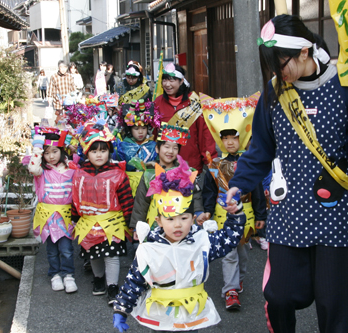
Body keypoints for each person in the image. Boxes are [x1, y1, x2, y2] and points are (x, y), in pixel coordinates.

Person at [225, 15, 348, 332]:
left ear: (304, 53)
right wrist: (238, 185)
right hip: (288, 212)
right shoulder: (273, 94)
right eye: (271, 66)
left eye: (281, 64)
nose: (276, 73)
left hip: (336, 215)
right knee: (279, 296)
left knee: (332, 303)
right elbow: (259, 150)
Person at [111, 160, 247, 332]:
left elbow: (229, 238)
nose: (177, 225)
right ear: (158, 221)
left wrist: (236, 214)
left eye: (184, 218)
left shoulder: (201, 242)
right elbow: (135, 280)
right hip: (160, 314)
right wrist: (121, 309)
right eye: (170, 219)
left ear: (192, 219)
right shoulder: (149, 247)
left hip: (191, 312)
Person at [196, 93, 267, 310]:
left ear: (241, 139)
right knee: (228, 253)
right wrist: (207, 211)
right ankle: (230, 290)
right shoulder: (214, 165)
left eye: (234, 138)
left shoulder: (248, 163)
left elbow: (256, 190)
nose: (230, 142)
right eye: (225, 139)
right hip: (221, 211)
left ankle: (238, 279)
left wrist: (261, 216)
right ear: (221, 140)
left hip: (245, 212)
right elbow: (208, 190)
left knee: (242, 253)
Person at [71, 120, 134, 303]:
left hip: (112, 223)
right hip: (88, 222)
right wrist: (74, 219)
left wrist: (130, 221)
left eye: (103, 150)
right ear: (86, 152)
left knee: (111, 255)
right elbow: (75, 200)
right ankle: (98, 279)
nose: (99, 155)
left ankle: (113, 286)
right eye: (94, 150)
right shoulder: (79, 173)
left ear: (109, 151)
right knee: (94, 253)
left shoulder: (118, 174)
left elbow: (126, 200)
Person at [154, 63, 218, 214]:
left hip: (191, 165)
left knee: (192, 206)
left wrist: (210, 159)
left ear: (181, 81)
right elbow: (154, 134)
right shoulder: (157, 103)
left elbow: (204, 134)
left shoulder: (195, 103)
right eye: (165, 80)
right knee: (169, 206)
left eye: (172, 80)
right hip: (166, 165)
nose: (167, 84)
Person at [29, 127, 77, 293]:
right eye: (47, 153)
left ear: (61, 150)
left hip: (65, 215)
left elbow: (82, 162)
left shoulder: (71, 167)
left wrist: (73, 149)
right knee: (51, 249)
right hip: (47, 216)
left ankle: (69, 274)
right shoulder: (42, 170)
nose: (51, 156)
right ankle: (55, 274)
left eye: (55, 151)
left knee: (66, 249)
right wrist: (37, 147)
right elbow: (33, 168)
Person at [129, 123, 191, 230]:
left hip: (177, 222)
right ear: (157, 149)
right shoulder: (149, 174)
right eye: (166, 147)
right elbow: (141, 202)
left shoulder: (184, 173)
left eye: (175, 148)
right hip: (153, 221)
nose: (170, 151)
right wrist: (136, 226)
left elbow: (194, 196)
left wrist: (198, 212)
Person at [114, 99, 160, 197]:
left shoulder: (153, 146)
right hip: (129, 184)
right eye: (136, 128)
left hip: (150, 183)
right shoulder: (123, 146)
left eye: (143, 128)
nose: (140, 132)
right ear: (130, 129)